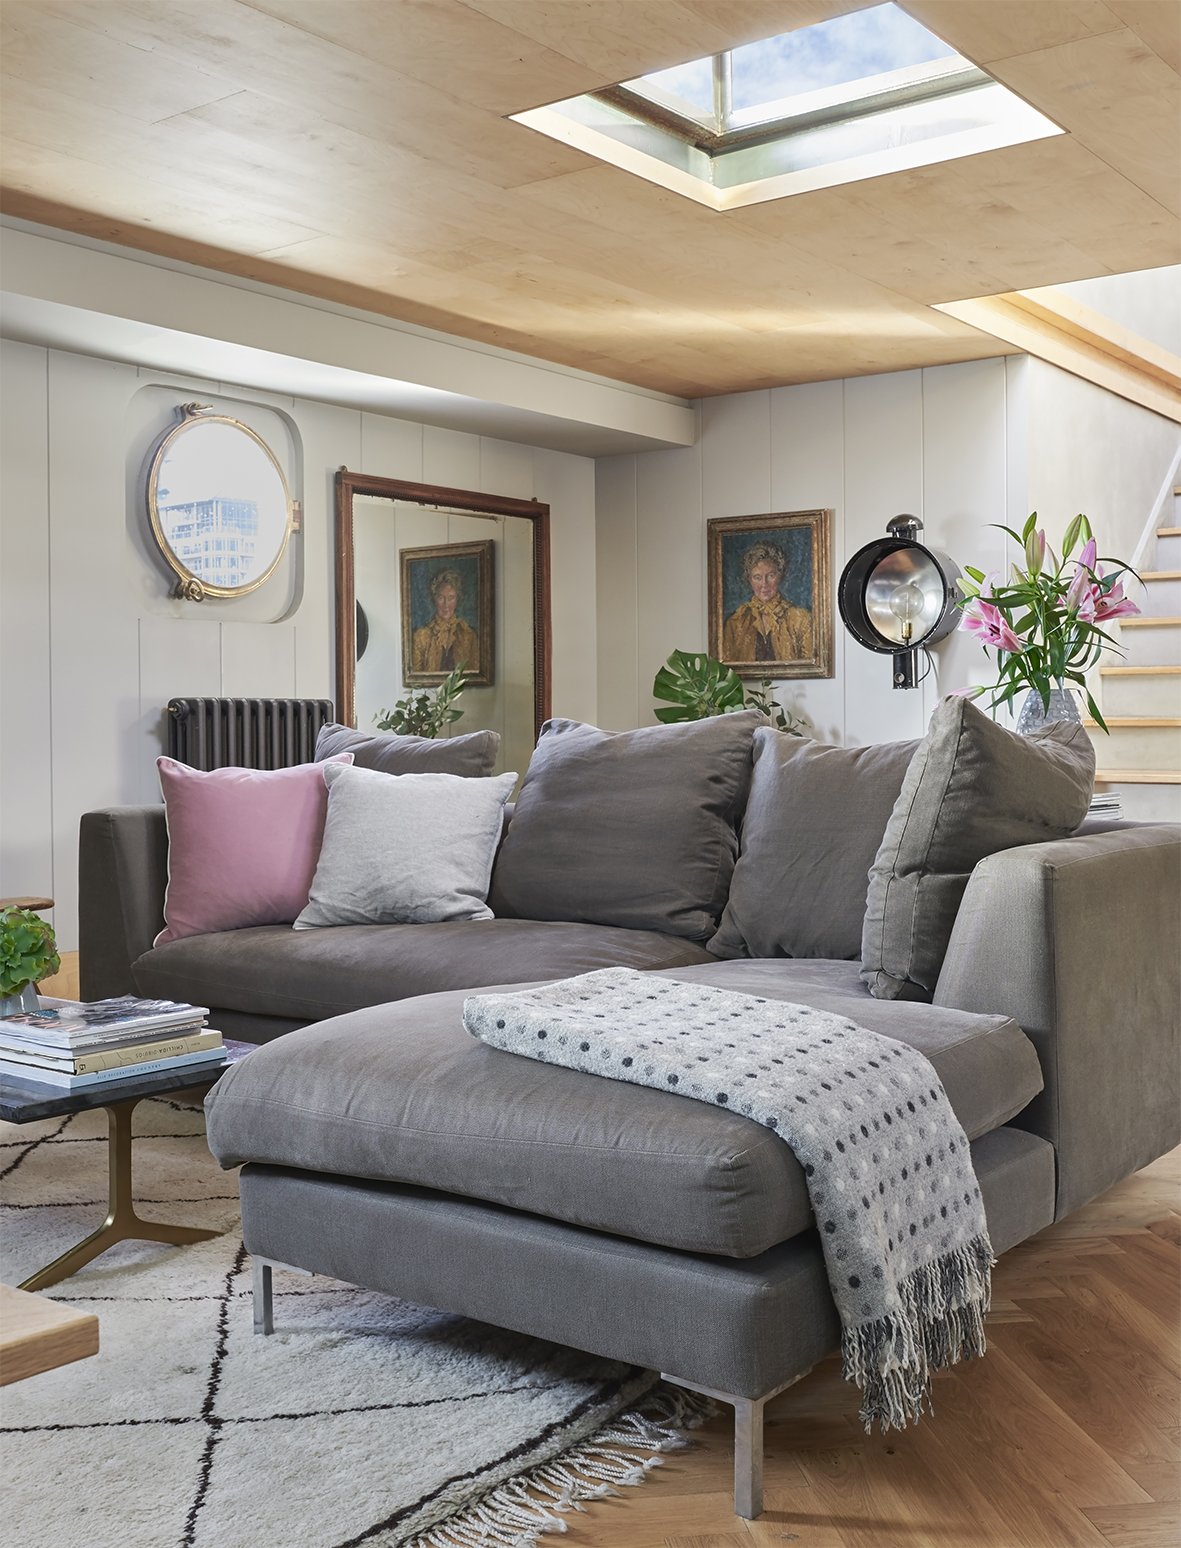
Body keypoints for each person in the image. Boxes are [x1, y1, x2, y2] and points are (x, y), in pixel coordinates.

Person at [721, 540, 813, 664]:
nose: (764, 584)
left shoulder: (801, 618)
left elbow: (809, 665)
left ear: (780, 576)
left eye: (770, 576)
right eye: (757, 577)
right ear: (749, 580)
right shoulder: (735, 622)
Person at [410, 567, 480, 674]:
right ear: (434, 599)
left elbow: (475, 674)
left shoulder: (469, 635)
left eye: (451, 598)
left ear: (457, 600)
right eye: (441, 598)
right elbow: (416, 678)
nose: (446, 604)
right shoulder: (420, 636)